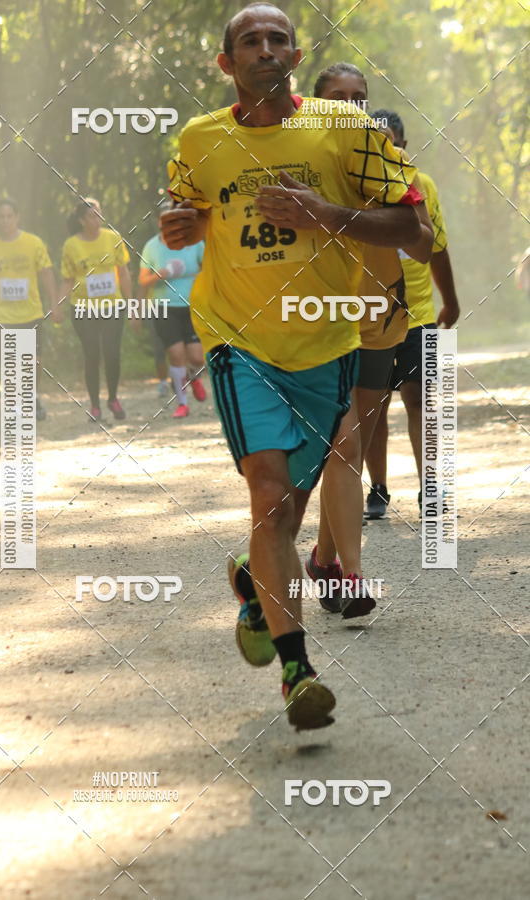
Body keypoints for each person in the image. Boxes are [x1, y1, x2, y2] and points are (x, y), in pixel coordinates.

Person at [160, 4, 423, 731]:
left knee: (288, 508)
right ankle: (298, 673)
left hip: (327, 343)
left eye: (279, 38)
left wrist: (325, 215)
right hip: (237, 339)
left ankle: (254, 581)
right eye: (251, 40)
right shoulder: (198, 139)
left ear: (297, 54)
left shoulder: (348, 130)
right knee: (269, 497)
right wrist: (180, 224)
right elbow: (187, 211)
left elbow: (416, 227)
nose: (266, 48)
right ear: (227, 64)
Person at [305, 64, 434, 609]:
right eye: (339, 97)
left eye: (360, 97)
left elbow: (424, 244)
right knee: (344, 443)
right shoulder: (297, 161)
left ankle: (322, 559)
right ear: (315, 105)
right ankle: (351, 576)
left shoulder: (391, 163)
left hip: (381, 319)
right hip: (316, 318)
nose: (352, 106)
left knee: (350, 448)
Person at [363, 110, 460, 518]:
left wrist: (449, 299)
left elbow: (436, 247)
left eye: (391, 140)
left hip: (417, 314)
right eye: (377, 142)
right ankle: (379, 489)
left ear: (402, 144)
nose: (386, 148)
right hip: (369, 316)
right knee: (374, 407)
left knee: (420, 400)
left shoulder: (422, 185)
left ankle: (431, 489)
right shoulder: (356, 186)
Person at [0, 198, 60, 420]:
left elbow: (47, 273)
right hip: (1, 314)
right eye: (1, 217)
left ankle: (32, 396)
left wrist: (54, 303)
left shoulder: (33, 243)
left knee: (34, 359)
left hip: (30, 311)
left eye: (9, 216)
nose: (5, 221)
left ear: (17, 217)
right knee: (8, 361)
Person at [61, 198, 133, 422]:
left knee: (112, 352)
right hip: (83, 308)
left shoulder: (113, 238)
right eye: (92, 215)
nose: (97, 218)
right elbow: (67, 279)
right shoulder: (71, 245)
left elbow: (124, 272)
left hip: (112, 306)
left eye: (99, 213)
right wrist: (57, 306)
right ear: (82, 220)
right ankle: (94, 405)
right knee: (92, 354)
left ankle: (113, 398)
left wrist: (131, 304)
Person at [139, 209, 207, 418]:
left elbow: (209, 270)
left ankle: (192, 375)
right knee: (176, 355)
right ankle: (182, 403)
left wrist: (192, 273)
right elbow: (143, 281)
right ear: (160, 224)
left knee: (197, 357)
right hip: (163, 307)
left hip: (191, 305)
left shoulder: (195, 243)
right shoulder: (151, 247)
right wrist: (161, 274)